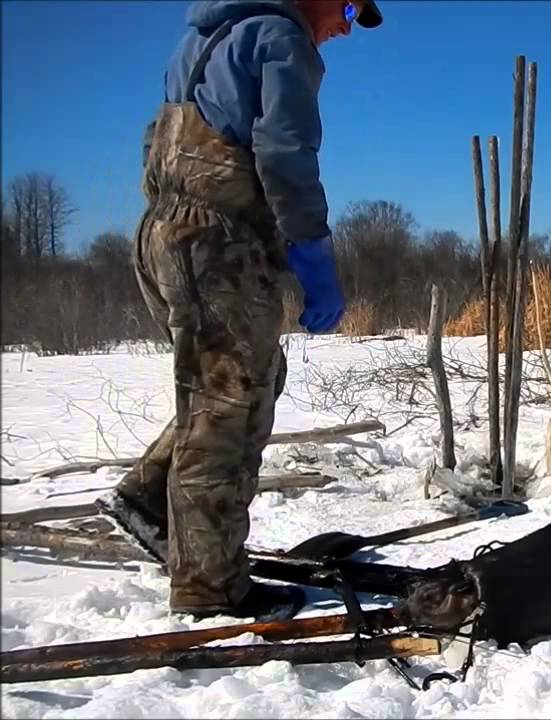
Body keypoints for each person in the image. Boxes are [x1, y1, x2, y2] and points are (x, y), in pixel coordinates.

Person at [97, 0, 382, 621]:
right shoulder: (283, 39)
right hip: (215, 239)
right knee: (226, 409)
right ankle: (210, 585)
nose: (346, 26)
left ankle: (150, 498)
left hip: (164, 231)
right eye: (352, 7)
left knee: (241, 384)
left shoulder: (205, 38)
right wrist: (311, 250)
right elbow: (285, 150)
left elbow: (156, 140)